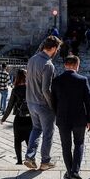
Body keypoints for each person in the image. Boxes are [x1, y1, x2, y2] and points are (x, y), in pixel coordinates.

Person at [51, 55, 90, 179]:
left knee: (66, 145)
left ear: (65, 65)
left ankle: (69, 172)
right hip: (79, 118)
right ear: (77, 65)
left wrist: (57, 114)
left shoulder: (56, 80)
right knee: (79, 143)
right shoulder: (82, 80)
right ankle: (75, 170)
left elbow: (53, 101)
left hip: (62, 118)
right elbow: (88, 101)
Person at [23, 35, 62, 170]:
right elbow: (46, 89)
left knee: (36, 128)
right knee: (48, 132)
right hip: (43, 104)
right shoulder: (48, 65)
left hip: (30, 101)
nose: (57, 52)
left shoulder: (32, 59)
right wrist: (53, 106)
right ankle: (45, 161)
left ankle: (30, 157)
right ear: (53, 48)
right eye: (57, 49)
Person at [1, 69, 31, 165]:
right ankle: (30, 159)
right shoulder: (30, 89)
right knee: (29, 140)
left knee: (17, 140)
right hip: (30, 119)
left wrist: (4, 118)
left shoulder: (15, 90)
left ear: (17, 77)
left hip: (19, 118)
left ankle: (19, 161)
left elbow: (9, 106)